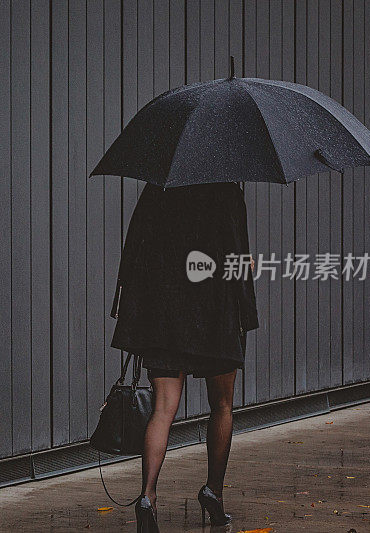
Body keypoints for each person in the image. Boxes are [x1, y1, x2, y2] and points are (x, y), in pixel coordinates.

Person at [109, 181, 259, 532]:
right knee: (222, 405)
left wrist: (132, 310)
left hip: (166, 315)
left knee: (163, 408)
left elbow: (134, 251)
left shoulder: (158, 187)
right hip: (216, 315)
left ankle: (147, 496)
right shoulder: (227, 189)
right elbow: (237, 259)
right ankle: (213, 493)